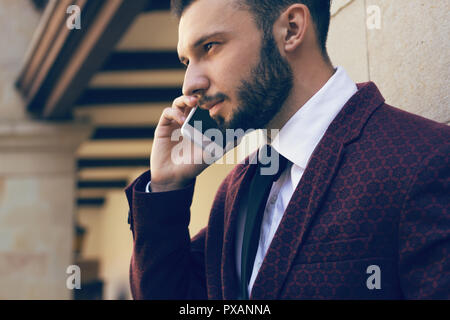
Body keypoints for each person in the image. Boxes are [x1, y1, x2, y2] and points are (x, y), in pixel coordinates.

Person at [125, 0, 449, 299]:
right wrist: (167, 186)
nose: (189, 83)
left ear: (291, 29)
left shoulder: (426, 159)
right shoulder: (238, 189)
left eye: (209, 47)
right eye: (186, 61)